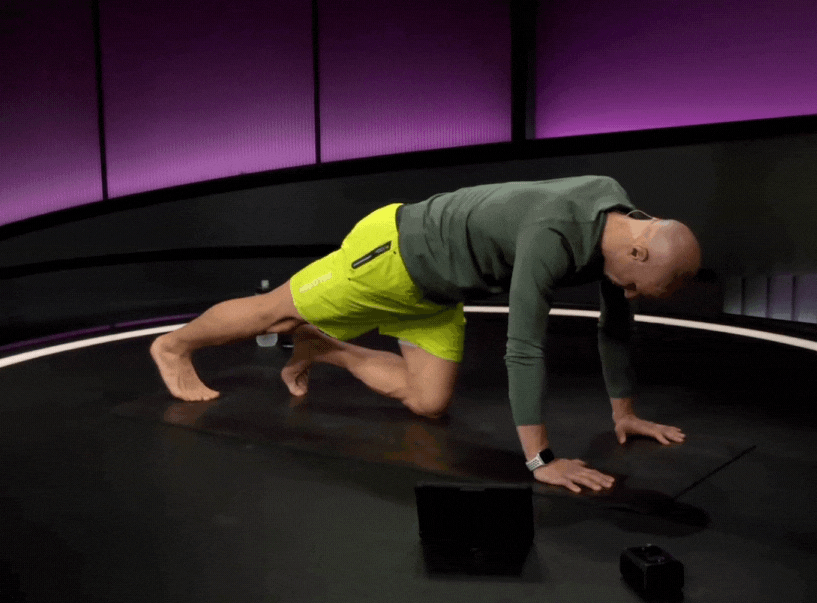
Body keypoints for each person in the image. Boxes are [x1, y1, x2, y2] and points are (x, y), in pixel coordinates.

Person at [150, 176, 701, 494]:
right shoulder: (554, 231)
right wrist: (541, 462)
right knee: (276, 313)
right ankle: (174, 346)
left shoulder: (622, 223)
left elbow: (617, 326)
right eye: (636, 284)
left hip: (438, 292)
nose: (629, 294)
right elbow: (525, 347)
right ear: (636, 249)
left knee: (429, 401)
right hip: (393, 253)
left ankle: (327, 349)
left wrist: (623, 413)